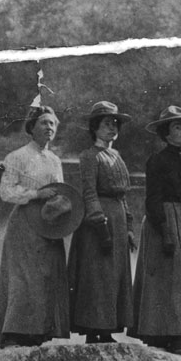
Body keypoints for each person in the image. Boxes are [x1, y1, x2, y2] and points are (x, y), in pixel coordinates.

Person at [0, 101, 72, 346]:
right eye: (44, 123)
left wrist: (62, 206)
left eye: (53, 124)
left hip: (50, 224)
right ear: (31, 127)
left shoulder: (55, 160)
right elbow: (6, 192)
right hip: (25, 224)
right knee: (23, 277)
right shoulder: (17, 156)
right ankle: (13, 334)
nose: (49, 128)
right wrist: (36, 194)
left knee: (46, 276)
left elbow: (60, 191)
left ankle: (38, 333)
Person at [132, 104, 181, 353]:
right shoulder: (157, 160)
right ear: (166, 133)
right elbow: (152, 198)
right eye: (177, 127)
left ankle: (178, 332)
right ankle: (166, 335)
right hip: (162, 219)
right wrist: (164, 229)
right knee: (165, 277)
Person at [67, 100, 133, 343]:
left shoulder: (116, 156)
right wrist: (100, 224)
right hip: (98, 223)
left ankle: (107, 329)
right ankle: (93, 330)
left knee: (114, 274)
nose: (112, 128)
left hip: (118, 218)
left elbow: (123, 196)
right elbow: (89, 192)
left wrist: (129, 228)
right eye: (106, 124)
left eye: (115, 124)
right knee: (97, 275)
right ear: (95, 128)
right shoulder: (89, 156)